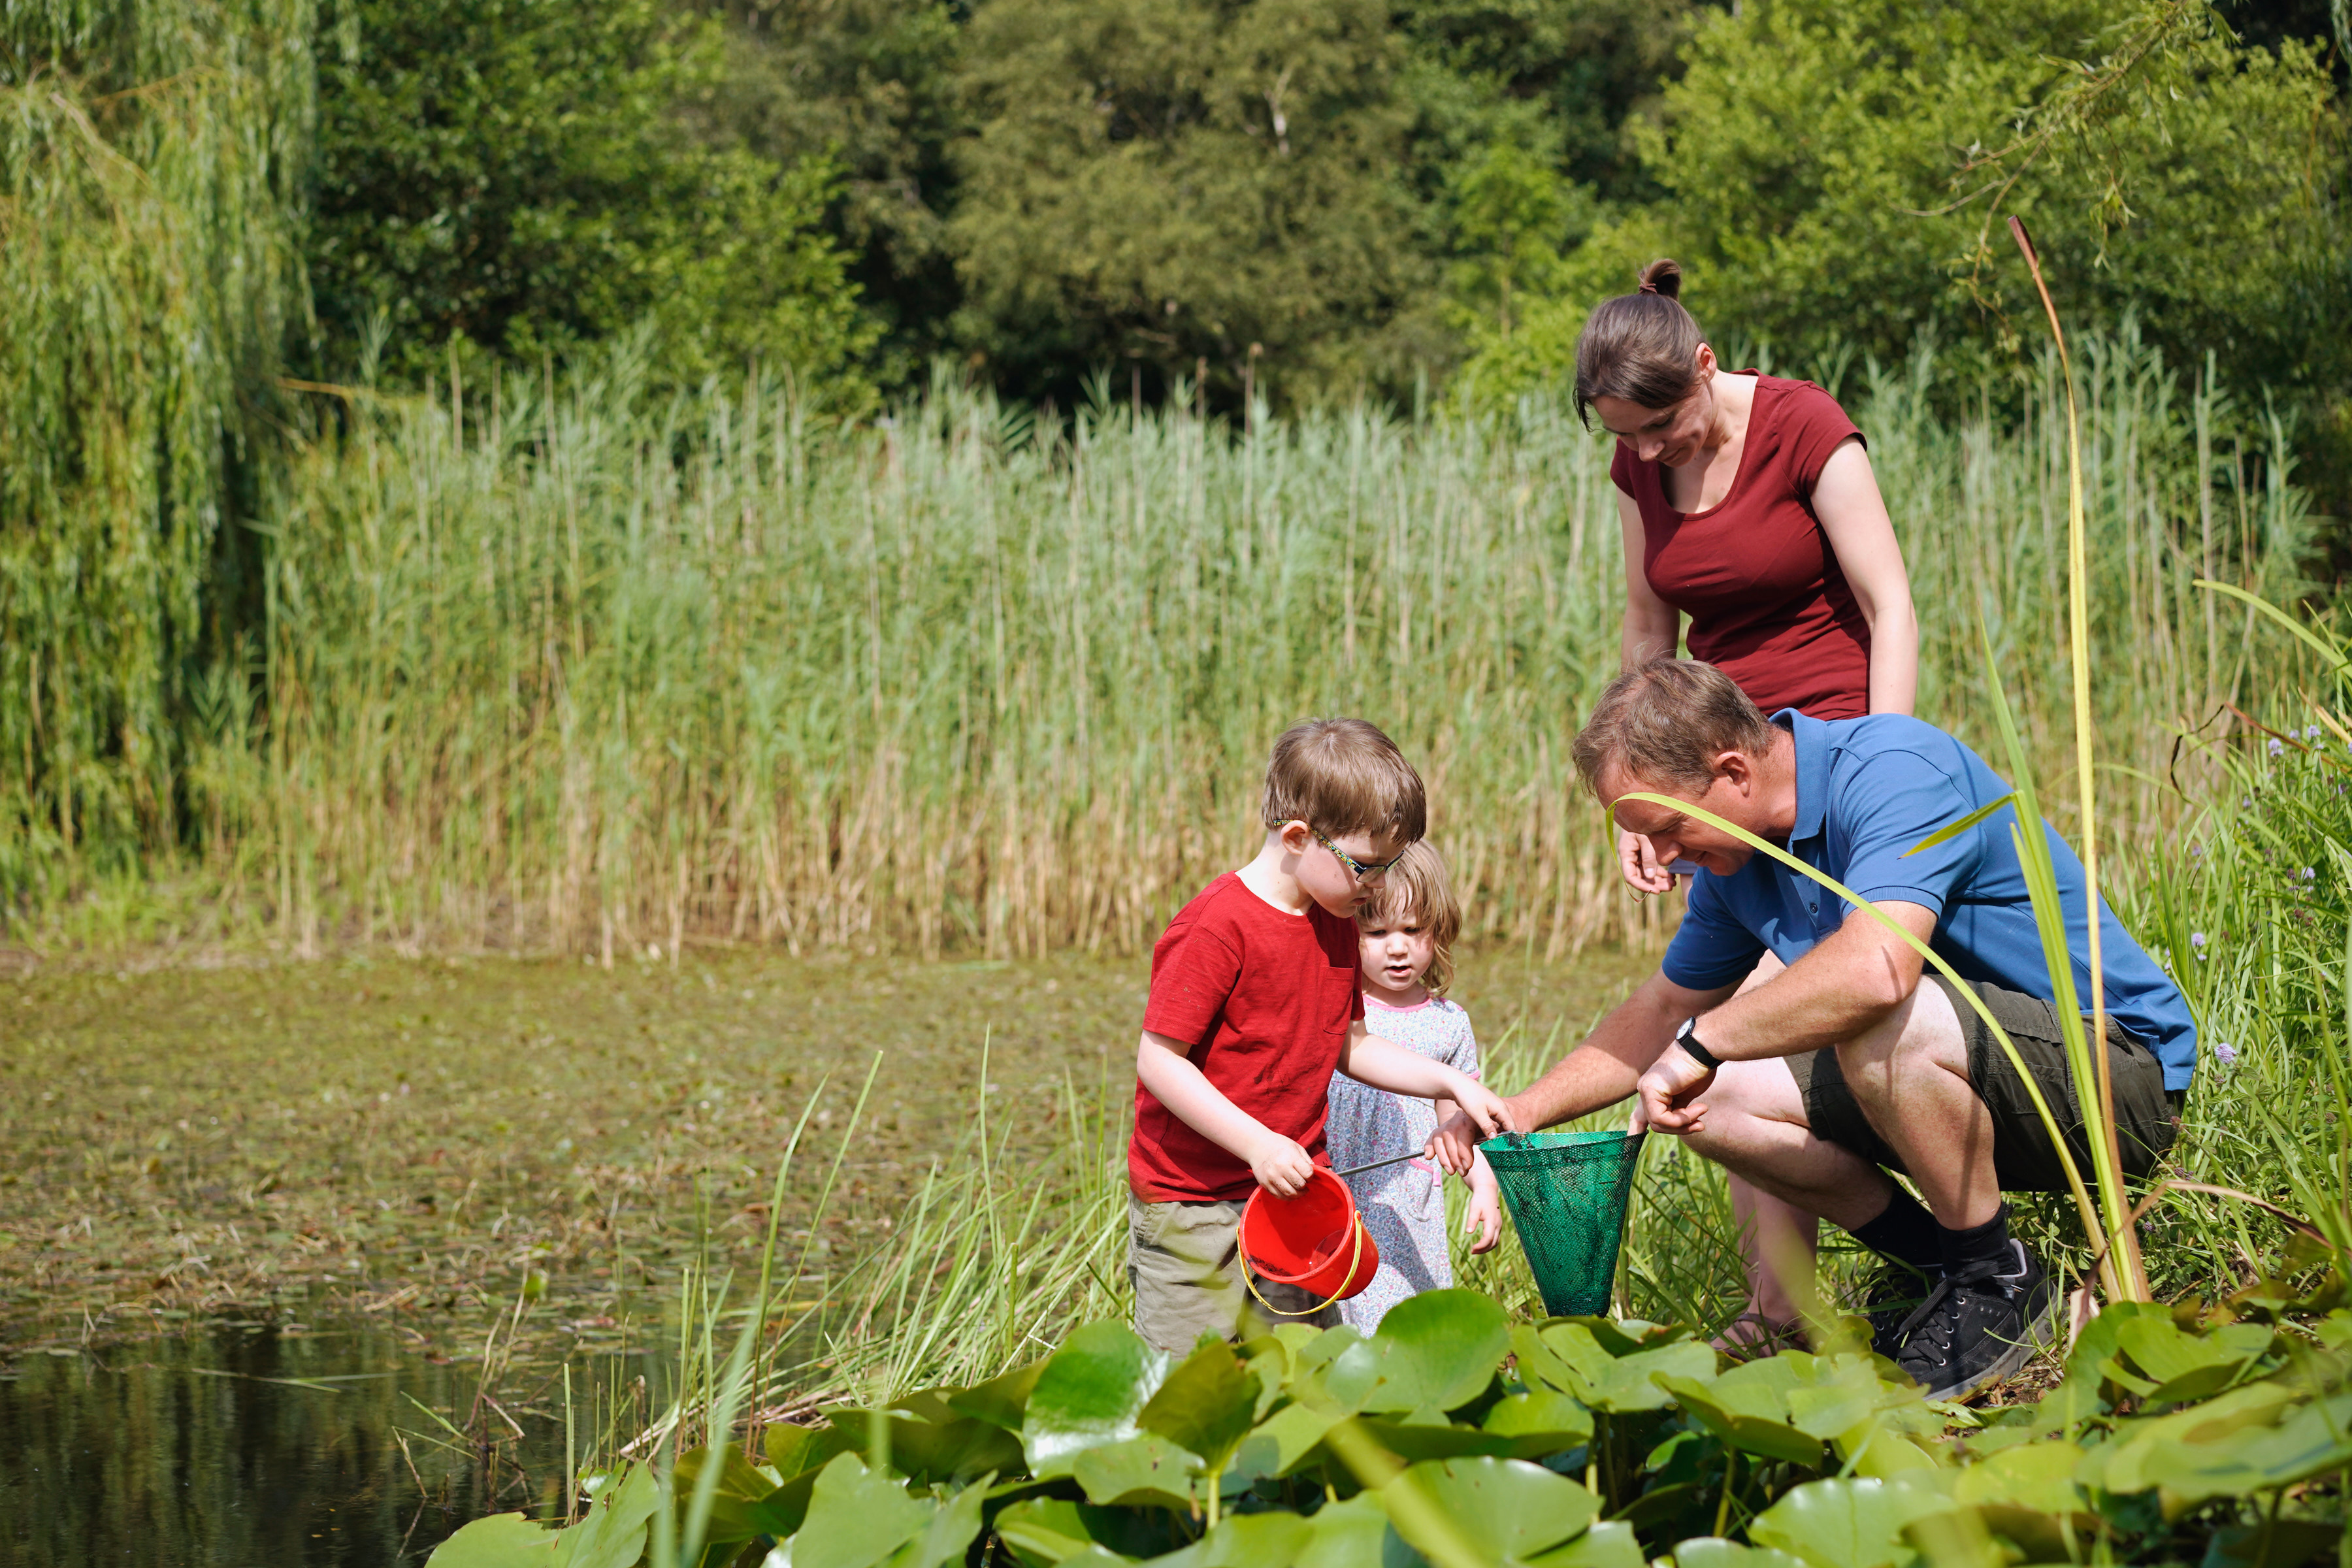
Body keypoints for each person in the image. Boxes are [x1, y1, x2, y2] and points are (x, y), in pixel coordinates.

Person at [1432, 661, 2195, 1401]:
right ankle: (1941, 1268)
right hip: (1971, 1091)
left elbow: (1880, 971)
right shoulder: (1735, 868)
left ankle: (1995, 1281)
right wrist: (1517, 1113)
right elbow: (1663, 1009)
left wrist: (1699, 1045)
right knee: (1718, 1103)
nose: (1660, 860)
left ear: (1733, 771)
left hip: (2113, 1080)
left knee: (1875, 1019)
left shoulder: (1896, 768)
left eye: (1667, 828)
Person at [1578, 257, 1920, 1347]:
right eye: (1623, 437)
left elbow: (1891, 603)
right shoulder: (1641, 473)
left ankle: (1806, 1305)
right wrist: (1633, 804)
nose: (1646, 453)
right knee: (1714, 1013)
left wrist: (1887, 758)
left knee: (1754, 1028)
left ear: (1707, 369)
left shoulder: (1805, 426)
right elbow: (1647, 633)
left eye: (1661, 428)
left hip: (1819, 770)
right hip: (1705, 780)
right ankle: (1789, 1305)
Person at [1127, 718, 1514, 1355]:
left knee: (1302, 1364)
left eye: (1389, 867)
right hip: (1196, 1200)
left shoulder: (1334, 921)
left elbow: (1350, 1045)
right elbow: (1159, 1063)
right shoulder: (1218, 926)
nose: (1379, 886)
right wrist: (1256, 1144)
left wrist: (1451, 1082)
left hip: (1298, 1191)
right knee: (1191, 1373)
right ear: (1299, 837)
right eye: (1367, 866)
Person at [1325, 841, 1503, 1333]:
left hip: (1403, 1211)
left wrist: (1484, 1185)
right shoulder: (1338, 1010)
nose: (1397, 947)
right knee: (1321, 1320)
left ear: (1438, 930)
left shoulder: (1447, 1026)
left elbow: (1458, 1125)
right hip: (1331, 1191)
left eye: (1412, 930)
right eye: (1376, 933)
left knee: (1396, 1325)